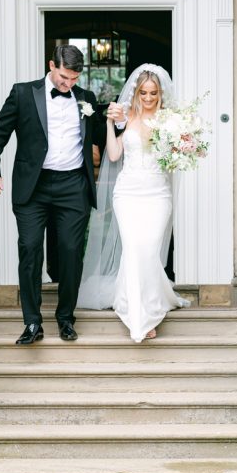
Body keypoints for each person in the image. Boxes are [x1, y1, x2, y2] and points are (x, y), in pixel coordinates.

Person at [0, 44, 106, 345]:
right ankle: (32, 323)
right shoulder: (23, 93)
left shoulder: (86, 99)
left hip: (73, 187)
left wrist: (119, 119)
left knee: (70, 252)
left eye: (74, 80)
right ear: (52, 65)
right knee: (30, 249)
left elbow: (102, 135)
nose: (69, 84)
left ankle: (66, 318)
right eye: (64, 77)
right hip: (33, 188)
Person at [78, 64, 190, 341]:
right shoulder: (125, 117)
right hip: (127, 194)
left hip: (157, 194)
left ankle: (152, 304)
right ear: (137, 92)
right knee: (133, 249)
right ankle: (141, 317)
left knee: (149, 251)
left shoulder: (171, 121)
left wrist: (185, 146)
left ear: (161, 93)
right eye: (143, 92)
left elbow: (177, 161)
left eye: (153, 93)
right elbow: (114, 155)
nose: (148, 98)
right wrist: (107, 123)